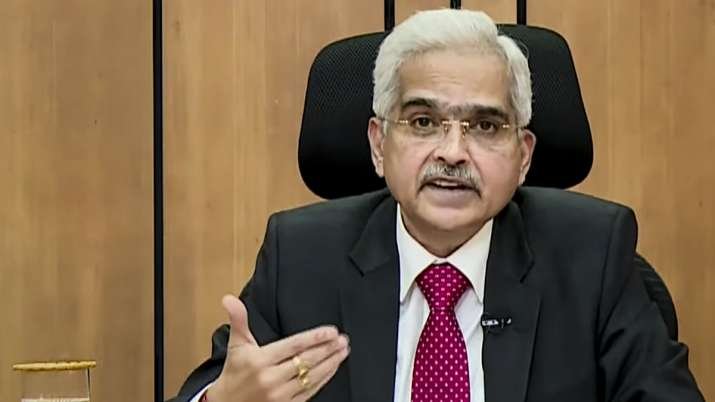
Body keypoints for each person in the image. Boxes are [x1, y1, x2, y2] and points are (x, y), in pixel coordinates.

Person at [169, 9, 704, 402]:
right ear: (379, 144)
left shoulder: (592, 256)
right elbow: (214, 388)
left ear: (523, 156)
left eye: (485, 126)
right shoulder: (301, 260)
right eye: (423, 122)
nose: (452, 152)